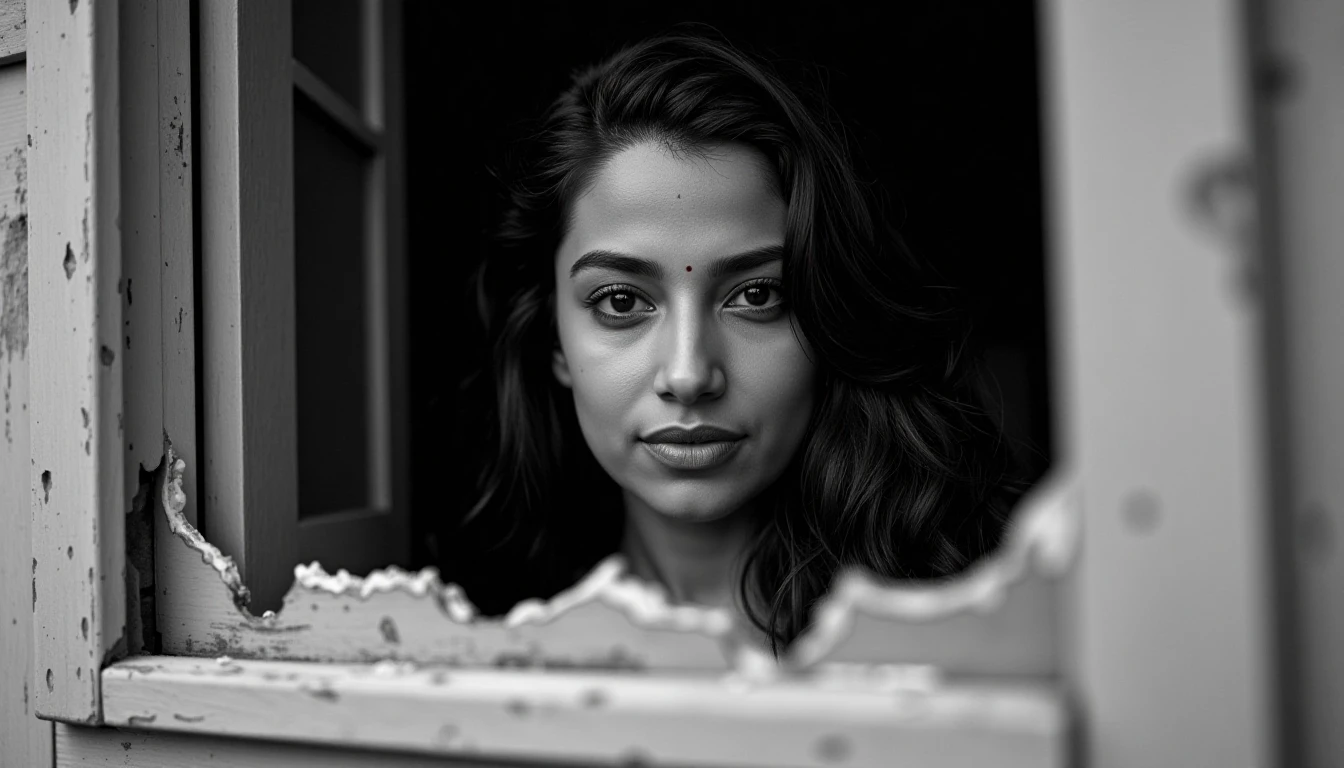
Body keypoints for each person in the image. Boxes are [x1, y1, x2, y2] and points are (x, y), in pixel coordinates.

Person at [443, 30, 1026, 653]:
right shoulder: (497, 653)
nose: (690, 374)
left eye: (756, 296)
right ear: (554, 340)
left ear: (829, 321)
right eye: (621, 302)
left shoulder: (970, 635)